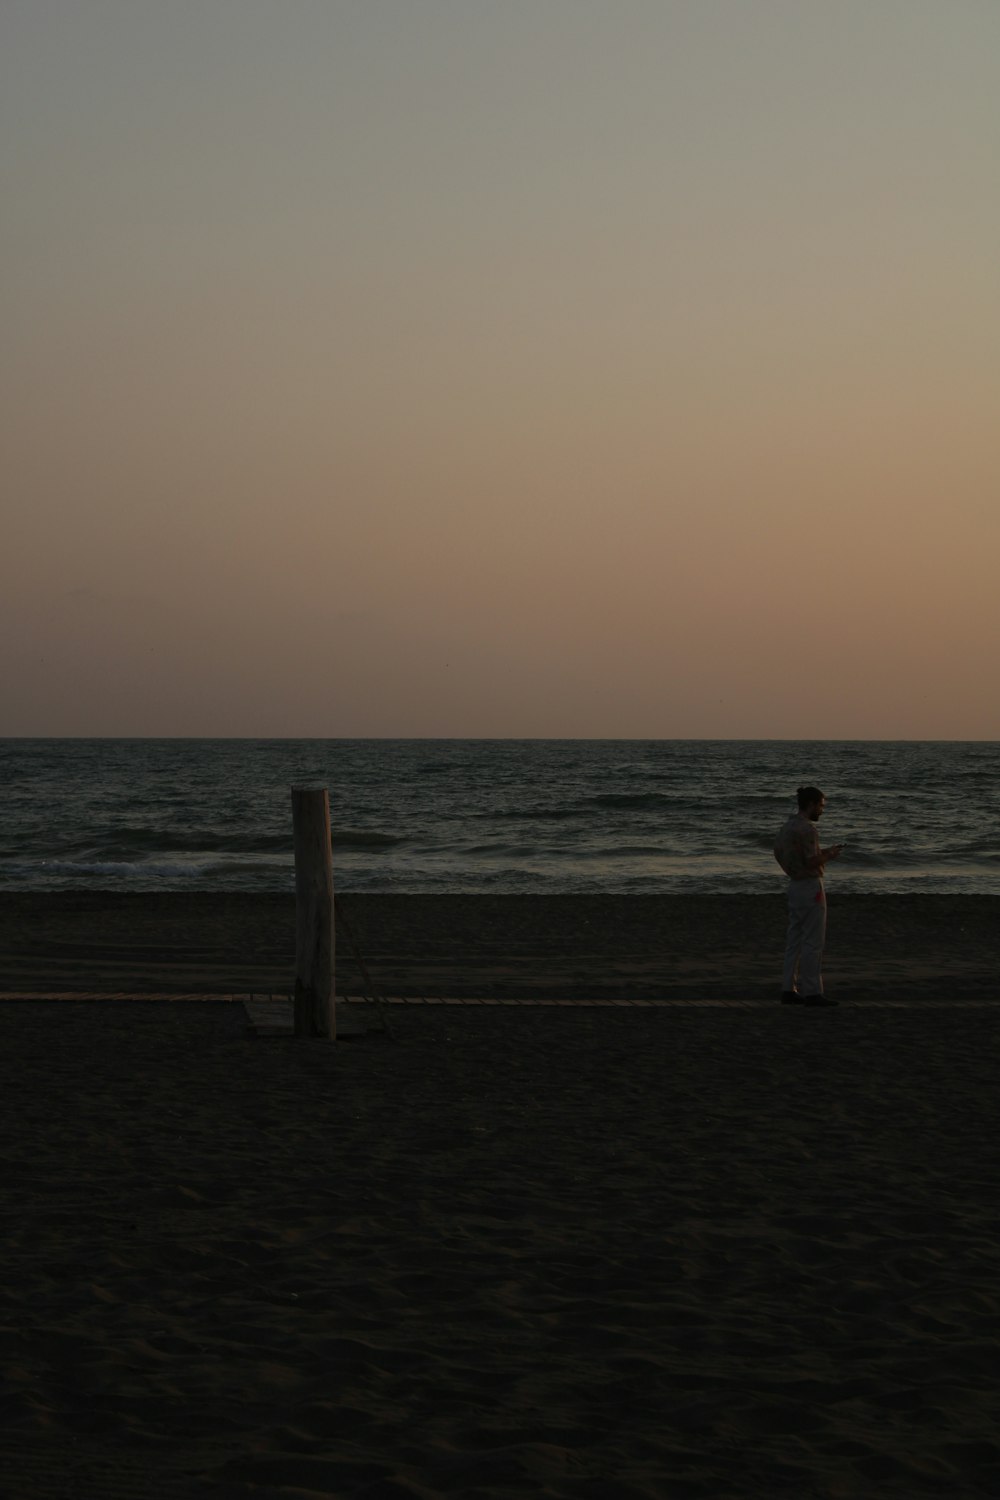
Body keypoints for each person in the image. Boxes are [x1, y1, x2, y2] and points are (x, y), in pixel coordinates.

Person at [773, 786, 843, 1006]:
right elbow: (812, 860)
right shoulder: (808, 829)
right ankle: (812, 991)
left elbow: (779, 852)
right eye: (820, 806)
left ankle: (788, 987)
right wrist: (830, 855)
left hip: (795, 885)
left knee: (794, 939)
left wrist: (792, 868)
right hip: (811, 886)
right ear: (811, 804)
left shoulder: (787, 827)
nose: (821, 811)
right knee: (813, 941)